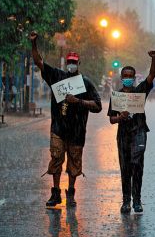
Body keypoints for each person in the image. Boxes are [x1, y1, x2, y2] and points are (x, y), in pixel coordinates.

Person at [30, 31, 102, 207]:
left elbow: (98, 106)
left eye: (73, 62)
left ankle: (70, 192)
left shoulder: (85, 83)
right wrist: (33, 44)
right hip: (58, 129)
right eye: (69, 62)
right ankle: (55, 193)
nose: (71, 64)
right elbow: (39, 62)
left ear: (78, 64)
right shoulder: (57, 76)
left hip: (77, 132)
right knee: (56, 159)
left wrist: (78, 101)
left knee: (74, 164)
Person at [107, 51, 155, 214]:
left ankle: (137, 200)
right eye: (125, 75)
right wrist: (120, 117)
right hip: (123, 136)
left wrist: (153, 59)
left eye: (131, 75)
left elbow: (151, 76)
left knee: (137, 167)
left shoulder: (140, 91)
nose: (128, 77)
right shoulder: (117, 96)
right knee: (125, 168)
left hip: (139, 133)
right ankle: (126, 201)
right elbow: (111, 119)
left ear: (134, 78)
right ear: (122, 78)